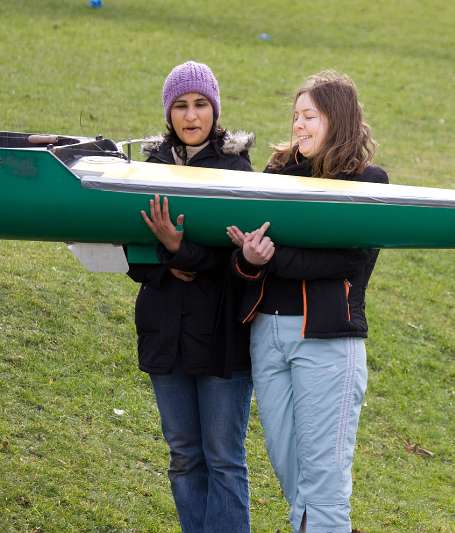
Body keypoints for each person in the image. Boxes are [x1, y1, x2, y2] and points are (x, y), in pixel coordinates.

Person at [227, 71, 388, 533]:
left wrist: (274, 257)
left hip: (326, 342)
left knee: (323, 487)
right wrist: (251, 259)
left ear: (337, 120)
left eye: (309, 116)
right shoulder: (275, 174)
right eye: (295, 116)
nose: (298, 126)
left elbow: (347, 261)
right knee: (293, 479)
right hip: (267, 336)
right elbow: (244, 260)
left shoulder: (368, 181)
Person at [127, 60, 255, 533]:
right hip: (165, 334)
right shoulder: (148, 169)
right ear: (168, 113)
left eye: (200, 104)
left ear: (215, 109)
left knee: (223, 459)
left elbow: (242, 258)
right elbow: (130, 252)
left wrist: (185, 251)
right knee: (183, 457)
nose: (191, 114)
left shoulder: (238, 169)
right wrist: (166, 261)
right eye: (180, 105)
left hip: (222, 338)